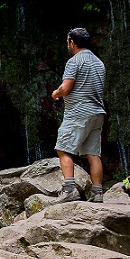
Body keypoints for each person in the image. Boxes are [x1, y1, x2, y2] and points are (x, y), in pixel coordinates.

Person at [50, 28, 107, 202]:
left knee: (63, 149)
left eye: (68, 41)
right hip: (97, 113)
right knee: (93, 154)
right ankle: (97, 193)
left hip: (79, 113)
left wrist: (56, 93)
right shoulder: (99, 63)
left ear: (72, 43)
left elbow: (66, 88)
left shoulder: (74, 62)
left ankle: (69, 190)